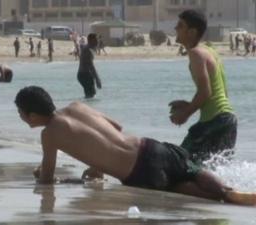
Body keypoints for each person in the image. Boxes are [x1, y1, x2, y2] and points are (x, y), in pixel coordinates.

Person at [14, 86, 256, 206]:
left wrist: (40, 176)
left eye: (21, 114)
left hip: (139, 173)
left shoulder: (49, 135)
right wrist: (97, 165)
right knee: (188, 168)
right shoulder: (78, 107)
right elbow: (116, 127)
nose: (22, 118)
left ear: (32, 115)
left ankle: (225, 198)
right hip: (149, 147)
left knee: (186, 190)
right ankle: (229, 189)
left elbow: (46, 178)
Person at [169, 10, 237, 163]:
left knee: (180, 163)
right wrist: (190, 104)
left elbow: (205, 92)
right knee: (216, 170)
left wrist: (185, 113)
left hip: (215, 121)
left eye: (180, 25)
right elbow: (220, 92)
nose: (175, 28)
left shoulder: (196, 53)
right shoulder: (210, 51)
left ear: (192, 32)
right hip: (227, 119)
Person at [77, 33, 102, 98]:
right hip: (85, 75)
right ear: (90, 40)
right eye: (96, 40)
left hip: (84, 75)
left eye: (98, 39)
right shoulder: (88, 50)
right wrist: (97, 79)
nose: (97, 41)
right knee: (91, 96)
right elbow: (91, 66)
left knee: (89, 96)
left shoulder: (88, 48)